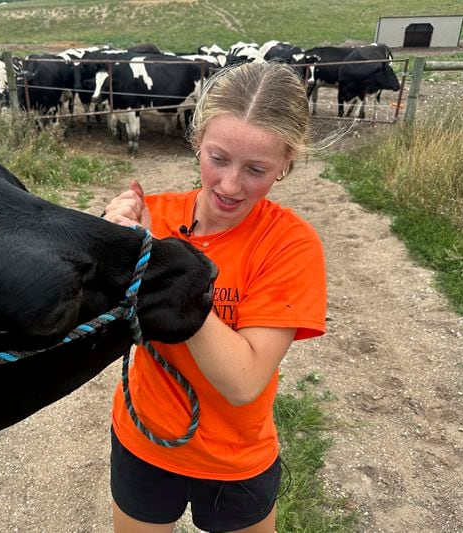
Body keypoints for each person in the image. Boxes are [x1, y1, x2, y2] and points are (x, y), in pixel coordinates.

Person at [102, 60, 327, 533]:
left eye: (256, 169)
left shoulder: (289, 245)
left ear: (288, 161)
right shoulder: (155, 216)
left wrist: (167, 272)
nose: (229, 185)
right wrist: (106, 243)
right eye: (218, 158)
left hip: (235, 456)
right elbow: (93, 322)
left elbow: (243, 381)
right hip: (146, 442)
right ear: (196, 139)